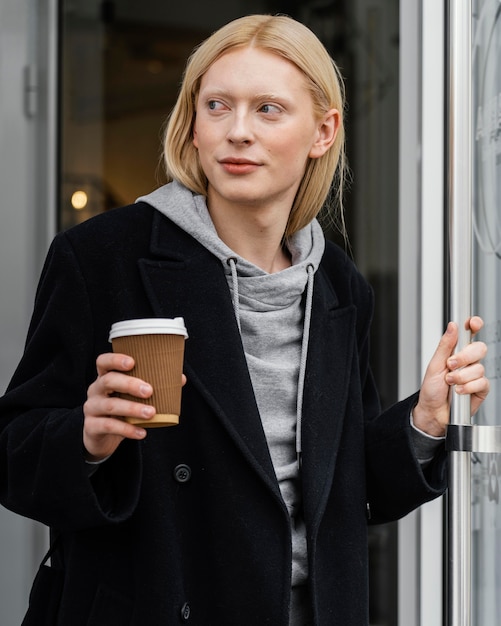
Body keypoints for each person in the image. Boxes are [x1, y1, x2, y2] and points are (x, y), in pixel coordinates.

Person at [0, 14, 489, 626]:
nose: (237, 132)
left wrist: (425, 419)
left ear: (323, 131)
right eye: (217, 106)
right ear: (193, 127)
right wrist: (87, 437)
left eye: (268, 109)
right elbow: (13, 456)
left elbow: (346, 490)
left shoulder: (338, 286)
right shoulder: (102, 258)